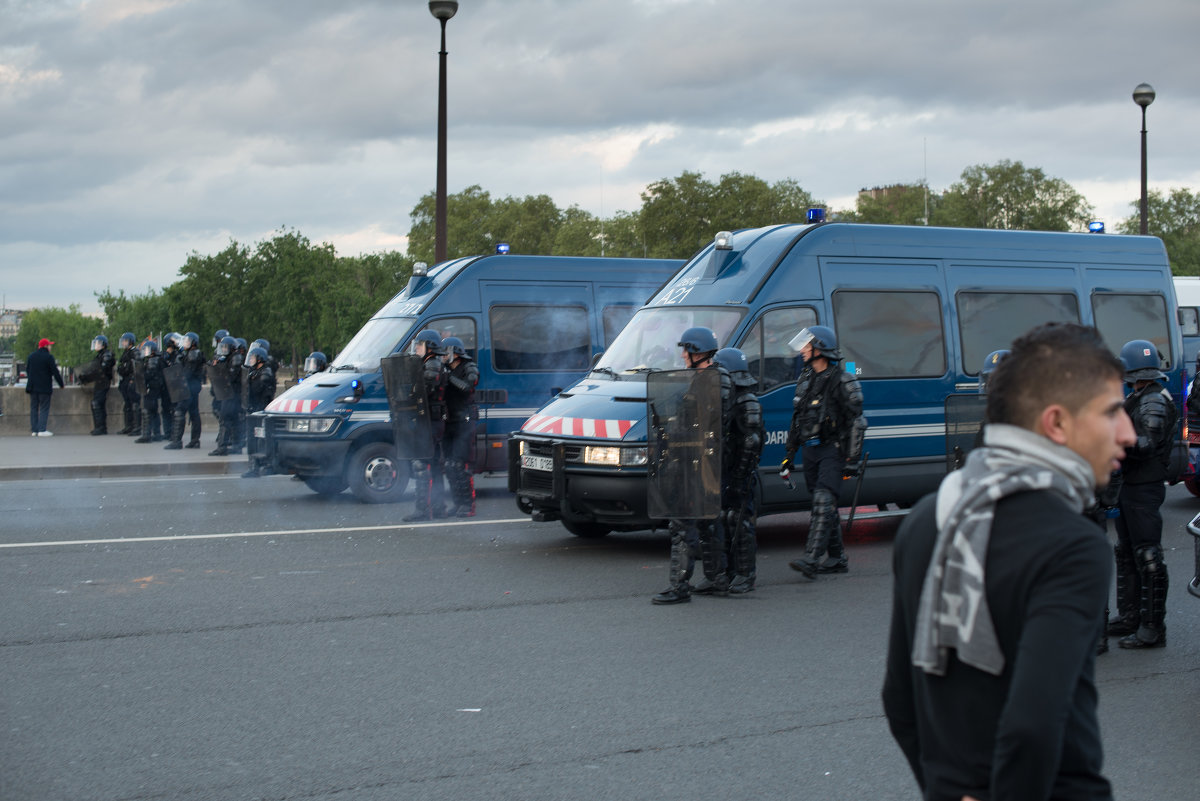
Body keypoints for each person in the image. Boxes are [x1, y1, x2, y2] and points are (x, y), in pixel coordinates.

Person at [882, 322, 1132, 801]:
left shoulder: (928, 518)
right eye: (1113, 412)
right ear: (1056, 423)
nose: (1131, 433)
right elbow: (1033, 726)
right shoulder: (1073, 545)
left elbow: (899, 700)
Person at [652, 326, 730, 604]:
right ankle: (717, 577)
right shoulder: (704, 380)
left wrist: (678, 438)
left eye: (687, 349)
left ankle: (679, 586)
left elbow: (707, 428)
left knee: (682, 524)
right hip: (701, 463)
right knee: (709, 521)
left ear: (699, 352)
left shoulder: (712, 382)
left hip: (701, 465)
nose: (683, 355)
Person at [781, 325, 866, 578]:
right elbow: (797, 421)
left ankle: (812, 558)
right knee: (825, 507)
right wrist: (789, 455)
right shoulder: (806, 380)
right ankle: (838, 558)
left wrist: (851, 459)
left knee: (822, 499)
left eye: (807, 346)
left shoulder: (843, 380)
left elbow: (856, 423)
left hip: (833, 449)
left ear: (820, 349)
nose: (802, 351)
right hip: (811, 451)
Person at [1108, 339, 1177, 649]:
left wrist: (1113, 441)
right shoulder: (1140, 396)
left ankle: (1152, 627)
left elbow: (1146, 444)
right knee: (1126, 551)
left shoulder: (1154, 400)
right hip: (1130, 485)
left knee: (1147, 554)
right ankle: (1131, 616)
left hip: (1144, 487)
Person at [712, 347, 764, 594]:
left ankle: (746, 574)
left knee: (740, 521)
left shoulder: (747, 401)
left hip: (740, 474)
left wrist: (739, 479)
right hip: (727, 469)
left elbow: (751, 443)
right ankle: (730, 572)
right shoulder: (728, 399)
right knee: (725, 520)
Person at [403, 330, 448, 522]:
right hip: (432, 421)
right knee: (434, 466)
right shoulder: (430, 363)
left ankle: (423, 510)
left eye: (419, 345)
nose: (416, 349)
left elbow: (424, 391)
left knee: (422, 464)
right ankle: (438, 508)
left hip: (429, 421)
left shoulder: (432, 364)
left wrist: (410, 395)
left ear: (430, 346)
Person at [441, 336, 479, 517]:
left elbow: (468, 387)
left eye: (446, 351)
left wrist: (449, 377)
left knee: (460, 464)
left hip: (464, 422)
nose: (443, 355)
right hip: (449, 422)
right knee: (448, 465)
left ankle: (468, 504)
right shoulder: (445, 369)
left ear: (455, 352)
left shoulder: (468, 367)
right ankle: (457, 503)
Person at [240, 345, 277, 477]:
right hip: (254, 410)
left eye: (253, 358)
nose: (251, 360)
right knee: (253, 440)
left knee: (260, 440)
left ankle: (263, 466)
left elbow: (259, 393)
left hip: (260, 411)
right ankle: (254, 466)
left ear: (260, 359)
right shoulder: (255, 372)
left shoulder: (265, 374)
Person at [25, 337, 64, 436]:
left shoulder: (31, 356)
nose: (51, 347)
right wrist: (61, 384)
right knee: (44, 408)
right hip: (44, 387)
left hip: (32, 387)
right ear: (46, 346)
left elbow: (28, 370)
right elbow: (55, 372)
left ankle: (34, 430)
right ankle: (42, 429)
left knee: (34, 408)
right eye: (50, 345)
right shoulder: (49, 357)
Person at [80, 334, 116, 435]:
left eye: (98, 343)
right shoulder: (100, 355)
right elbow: (93, 369)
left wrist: (88, 376)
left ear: (103, 345)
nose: (95, 345)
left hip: (103, 383)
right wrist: (85, 376)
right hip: (99, 382)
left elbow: (101, 370)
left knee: (97, 404)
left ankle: (100, 428)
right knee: (98, 404)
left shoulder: (106, 355)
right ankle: (100, 427)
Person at [133, 339, 166, 443]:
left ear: (152, 351)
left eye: (147, 350)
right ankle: (157, 434)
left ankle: (147, 435)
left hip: (152, 389)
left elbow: (149, 375)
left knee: (147, 410)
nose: (145, 352)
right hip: (156, 389)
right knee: (154, 412)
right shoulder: (157, 359)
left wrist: (141, 375)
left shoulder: (153, 360)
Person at [115, 332, 140, 436]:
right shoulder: (126, 352)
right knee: (127, 405)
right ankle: (128, 426)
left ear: (130, 341)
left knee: (134, 404)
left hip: (132, 381)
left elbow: (137, 368)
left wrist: (132, 380)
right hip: (125, 381)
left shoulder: (135, 352)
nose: (123, 343)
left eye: (125, 341)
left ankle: (137, 427)